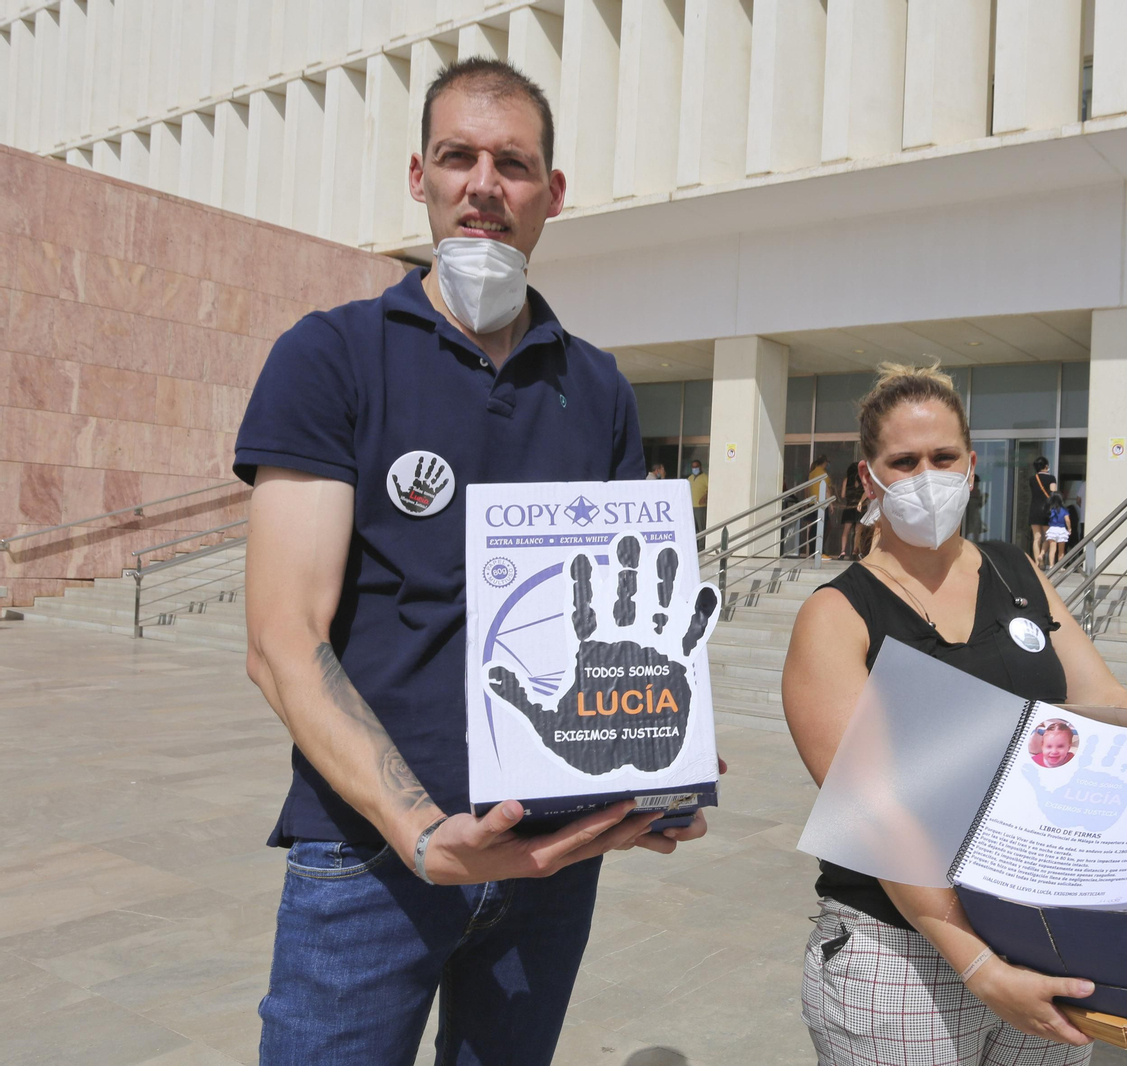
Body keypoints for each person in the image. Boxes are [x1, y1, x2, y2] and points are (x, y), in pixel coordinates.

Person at [234, 58, 713, 1066]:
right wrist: (420, 832)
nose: (484, 184)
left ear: (552, 193)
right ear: (420, 176)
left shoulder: (599, 386)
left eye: (514, 163)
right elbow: (282, 640)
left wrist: (657, 764)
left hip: (548, 861)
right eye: (458, 157)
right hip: (371, 859)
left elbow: (621, 612)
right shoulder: (331, 355)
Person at [782, 362, 1127, 1065]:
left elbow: (1107, 703)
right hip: (904, 951)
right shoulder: (837, 614)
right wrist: (979, 967)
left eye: (943, 458)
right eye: (903, 462)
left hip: (1043, 934)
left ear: (971, 466)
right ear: (867, 479)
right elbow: (876, 814)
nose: (926, 477)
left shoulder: (1016, 571)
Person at [1026, 455, 1057, 567]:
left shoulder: (1032, 479)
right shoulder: (1051, 478)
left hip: (1034, 509)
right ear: (1046, 466)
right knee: (1048, 537)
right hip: (1046, 510)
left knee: (1036, 538)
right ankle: (1042, 554)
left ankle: (1038, 563)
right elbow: (1053, 493)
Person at [801, 453, 831, 558]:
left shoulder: (811, 474)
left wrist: (807, 503)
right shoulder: (823, 473)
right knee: (823, 527)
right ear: (825, 463)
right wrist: (831, 504)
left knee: (814, 528)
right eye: (827, 463)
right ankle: (819, 551)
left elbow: (807, 489)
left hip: (812, 503)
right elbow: (826, 489)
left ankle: (813, 550)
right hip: (821, 504)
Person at [838, 462, 865, 560]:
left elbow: (842, 495)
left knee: (846, 532)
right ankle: (854, 552)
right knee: (857, 532)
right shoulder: (863, 480)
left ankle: (842, 552)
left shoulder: (846, 480)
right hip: (860, 508)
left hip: (849, 508)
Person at [1044, 492, 1071, 568]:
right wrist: (1069, 529)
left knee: (1052, 549)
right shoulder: (1064, 510)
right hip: (1062, 530)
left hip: (1052, 529)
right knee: (1061, 551)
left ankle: (1051, 565)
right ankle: (1060, 566)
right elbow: (1067, 520)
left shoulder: (1051, 510)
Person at [687, 459, 708, 539]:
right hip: (690, 507)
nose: (694, 468)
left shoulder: (705, 477)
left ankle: (701, 548)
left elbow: (711, 490)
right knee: (692, 529)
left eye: (696, 467)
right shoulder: (690, 478)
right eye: (693, 467)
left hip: (700, 508)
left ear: (700, 467)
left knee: (701, 529)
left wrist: (705, 497)